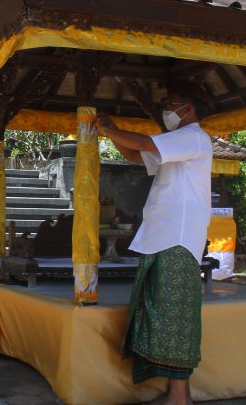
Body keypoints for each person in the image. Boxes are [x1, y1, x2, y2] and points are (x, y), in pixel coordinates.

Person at [96, 83, 213, 405]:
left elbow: (143, 142)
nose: (168, 109)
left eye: (173, 102)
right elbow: (135, 153)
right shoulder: (175, 143)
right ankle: (178, 393)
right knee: (159, 310)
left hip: (179, 236)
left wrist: (108, 128)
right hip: (163, 234)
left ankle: (179, 396)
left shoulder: (194, 137)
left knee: (176, 313)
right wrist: (113, 132)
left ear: (189, 109)